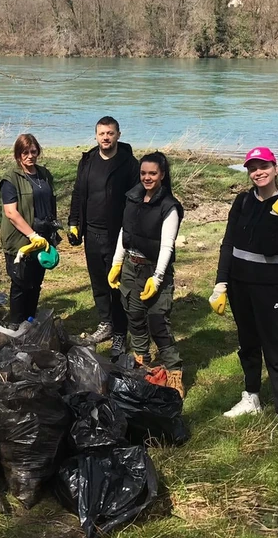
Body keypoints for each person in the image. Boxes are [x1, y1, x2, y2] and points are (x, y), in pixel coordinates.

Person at [211, 146, 278, 459]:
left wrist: (274, 215)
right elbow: (230, 242)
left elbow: (270, 245)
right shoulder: (242, 200)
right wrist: (221, 283)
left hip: (268, 287)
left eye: (263, 166)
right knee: (247, 344)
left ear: (275, 168)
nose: (258, 172)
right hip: (239, 284)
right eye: (252, 168)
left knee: (275, 352)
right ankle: (251, 396)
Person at [108, 151, 185, 398]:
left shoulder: (169, 206)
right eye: (143, 173)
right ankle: (142, 362)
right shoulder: (133, 197)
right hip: (131, 266)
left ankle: (174, 371)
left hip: (154, 269)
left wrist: (158, 277)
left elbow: (167, 245)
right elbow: (124, 230)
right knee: (135, 316)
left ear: (162, 174)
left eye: (152, 173)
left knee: (158, 321)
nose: (147, 178)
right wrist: (117, 262)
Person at [68, 116, 139, 357]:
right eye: (101, 134)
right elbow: (78, 192)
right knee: (98, 282)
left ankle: (120, 332)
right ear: (96, 136)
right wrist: (74, 222)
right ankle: (105, 324)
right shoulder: (87, 161)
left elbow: (135, 201)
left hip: (116, 235)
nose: (105, 137)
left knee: (116, 284)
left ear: (118, 134)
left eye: (110, 133)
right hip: (91, 233)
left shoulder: (129, 163)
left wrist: (129, 233)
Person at [0, 133, 60, 324]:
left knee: (35, 283)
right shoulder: (11, 179)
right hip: (21, 239)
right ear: (18, 155)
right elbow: (11, 212)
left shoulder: (45, 175)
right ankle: (16, 325)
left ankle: (30, 322)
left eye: (33, 151)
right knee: (20, 284)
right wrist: (32, 235)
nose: (29, 156)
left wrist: (50, 232)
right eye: (24, 152)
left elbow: (51, 203)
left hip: (43, 238)